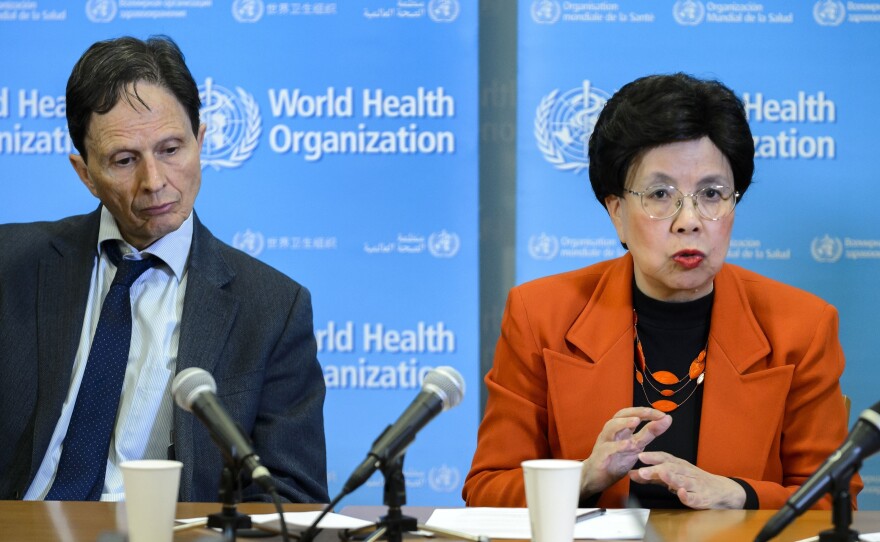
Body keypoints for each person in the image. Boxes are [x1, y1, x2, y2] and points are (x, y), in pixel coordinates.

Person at [463, 73, 861, 510]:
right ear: (616, 211)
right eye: (660, 193)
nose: (689, 219)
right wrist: (585, 477)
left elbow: (832, 502)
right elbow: (488, 493)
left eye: (711, 193)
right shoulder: (541, 316)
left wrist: (738, 494)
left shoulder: (800, 326)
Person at [0, 36, 328, 504]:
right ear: (84, 173)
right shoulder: (10, 264)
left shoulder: (272, 308)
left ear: (202, 141)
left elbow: (293, 496)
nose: (154, 182)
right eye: (125, 160)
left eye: (171, 149)